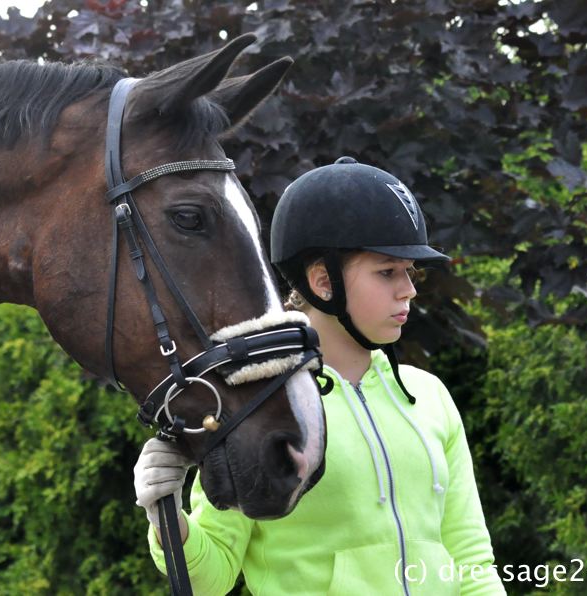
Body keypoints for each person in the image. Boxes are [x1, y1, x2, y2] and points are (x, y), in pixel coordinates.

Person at [134, 157, 506, 595]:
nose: (409, 289)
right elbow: (210, 578)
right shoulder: (261, 407)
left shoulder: (430, 395)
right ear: (324, 282)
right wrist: (166, 518)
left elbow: (470, 557)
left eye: (409, 272)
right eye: (387, 272)